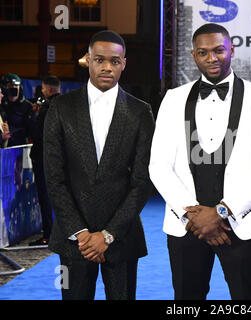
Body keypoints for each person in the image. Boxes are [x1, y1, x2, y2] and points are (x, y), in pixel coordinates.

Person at [149, 23, 251, 300]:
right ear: (193, 55)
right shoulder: (172, 99)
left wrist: (221, 213)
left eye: (219, 50)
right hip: (187, 226)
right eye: (203, 52)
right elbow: (158, 166)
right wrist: (194, 218)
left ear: (231, 50)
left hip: (242, 223)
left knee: (248, 300)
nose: (212, 58)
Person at [44, 30, 155, 300]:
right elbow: (53, 177)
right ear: (88, 60)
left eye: (114, 61)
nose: (107, 67)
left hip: (122, 236)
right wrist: (82, 234)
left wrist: (108, 234)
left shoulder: (141, 112)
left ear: (124, 63)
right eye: (100, 60)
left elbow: (142, 181)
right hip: (74, 242)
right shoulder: (60, 107)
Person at [29, 75, 61, 246]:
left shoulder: (47, 108)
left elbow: (40, 136)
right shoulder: (67, 106)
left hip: (44, 161)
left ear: (48, 90)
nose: (41, 91)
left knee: (45, 197)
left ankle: (48, 234)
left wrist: (34, 156)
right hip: (62, 161)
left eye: (42, 88)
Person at [1, 73, 36, 147]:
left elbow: (32, 131)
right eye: (10, 85)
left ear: (20, 87)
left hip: (19, 147)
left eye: (16, 85)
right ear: (4, 87)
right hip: (2, 146)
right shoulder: (1, 104)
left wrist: (12, 130)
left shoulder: (28, 106)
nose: (14, 87)